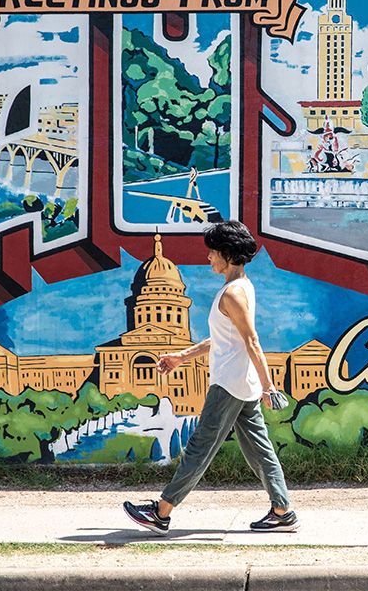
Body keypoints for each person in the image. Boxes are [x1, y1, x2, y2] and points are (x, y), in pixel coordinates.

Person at [123, 220, 297, 536]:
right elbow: (224, 338)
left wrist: (269, 385)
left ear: (227, 254)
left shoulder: (232, 294)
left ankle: (162, 512)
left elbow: (251, 340)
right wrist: (181, 357)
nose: (208, 258)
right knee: (260, 451)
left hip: (229, 384)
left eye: (212, 252)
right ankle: (282, 510)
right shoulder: (242, 288)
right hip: (241, 384)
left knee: (200, 448)